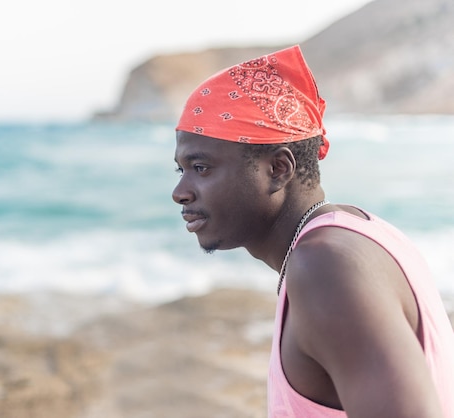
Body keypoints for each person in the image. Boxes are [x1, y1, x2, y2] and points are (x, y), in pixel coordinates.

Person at [171, 45, 454, 418]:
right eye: (182, 170)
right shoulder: (355, 233)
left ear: (278, 170)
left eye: (202, 168)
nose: (180, 193)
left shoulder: (327, 267)